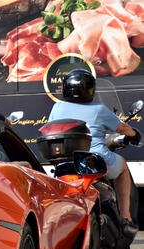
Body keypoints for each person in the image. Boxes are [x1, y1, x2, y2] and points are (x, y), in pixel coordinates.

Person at [48, 68, 141, 227]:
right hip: (94, 161)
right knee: (123, 167)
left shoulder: (57, 108)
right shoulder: (99, 110)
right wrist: (134, 135)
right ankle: (125, 214)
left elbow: (51, 127)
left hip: (67, 163)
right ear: (90, 90)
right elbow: (122, 129)